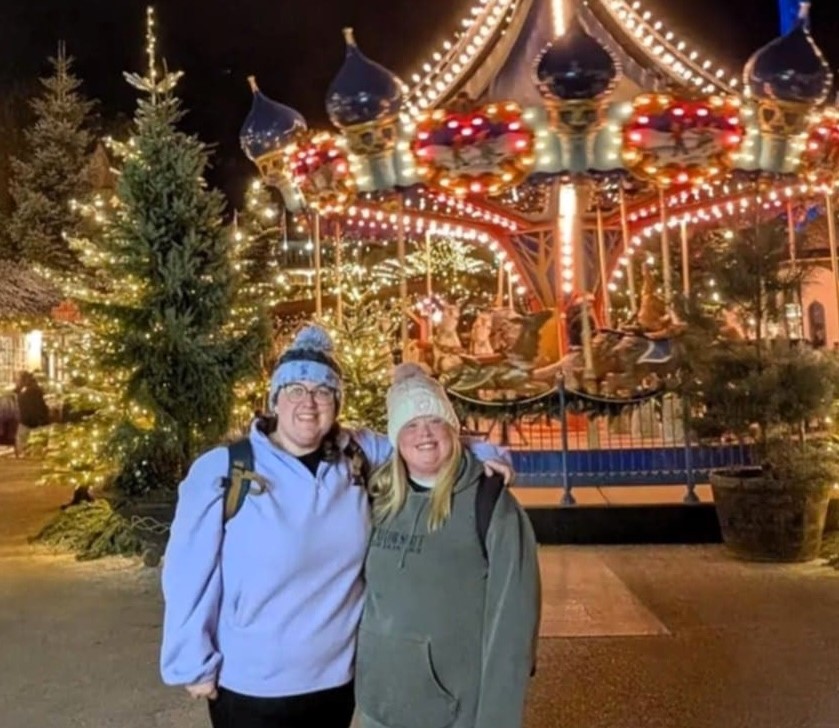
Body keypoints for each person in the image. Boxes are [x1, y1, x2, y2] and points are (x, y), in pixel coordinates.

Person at [160, 325, 512, 728]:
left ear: (336, 402)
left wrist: (487, 455)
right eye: (296, 390)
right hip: (253, 685)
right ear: (275, 399)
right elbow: (188, 572)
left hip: (336, 681)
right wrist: (191, 660)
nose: (309, 403)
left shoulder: (357, 453)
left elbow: (423, 442)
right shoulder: (224, 469)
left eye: (322, 391)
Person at [356, 363, 541, 728]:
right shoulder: (377, 498)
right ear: (395, 437)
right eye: (410, 424)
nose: (423, 433)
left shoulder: (489, 504)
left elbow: (513, 630)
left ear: (452, 428)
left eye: (434, 420)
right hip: (380, 709)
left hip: (453, 713)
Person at [14, 370, 49, 457]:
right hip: (37, 423)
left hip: (30, 424)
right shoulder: (35, 390)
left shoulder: (28, 392)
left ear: (23, 381)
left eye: (17, 380)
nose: (16, 382)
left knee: (24, 447)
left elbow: (30, 410)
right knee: (37, 451)